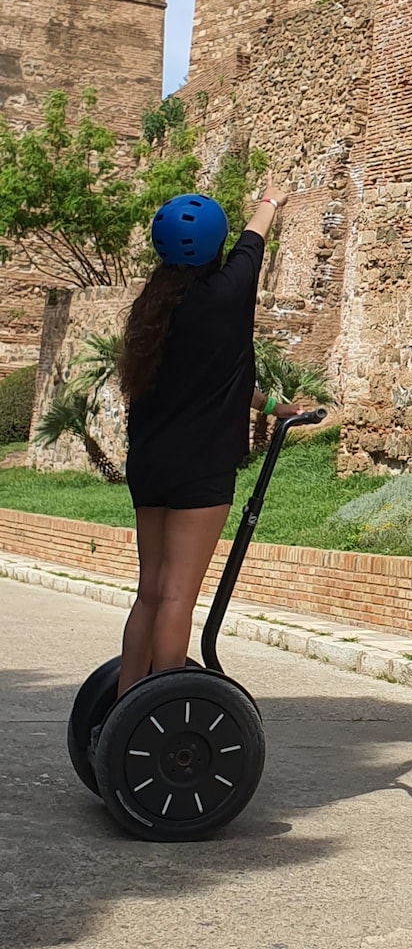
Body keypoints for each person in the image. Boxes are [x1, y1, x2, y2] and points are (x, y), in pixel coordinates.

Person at [116, 180, 297, 696]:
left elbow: (219, 381)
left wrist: (270, 406)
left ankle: (127, 705)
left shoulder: (152, 308)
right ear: (214, 247)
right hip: (201, 469)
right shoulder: (227, 292)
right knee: (177, 595)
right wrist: (271, 199)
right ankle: (161, 707)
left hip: (150, 465)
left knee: (150, 591)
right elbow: (254, 238)